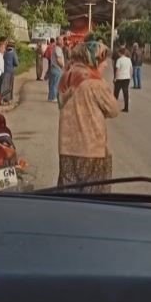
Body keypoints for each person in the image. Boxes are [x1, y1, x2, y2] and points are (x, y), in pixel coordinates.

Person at [58, 41, 119, 193]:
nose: (105, 65)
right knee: (93, 199)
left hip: (67, 148)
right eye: (103, 60)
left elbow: (60, 102)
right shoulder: (95, 83)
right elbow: (113, 110)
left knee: (69, 195)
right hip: (92, 150)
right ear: (94, 60)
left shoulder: (67, 77)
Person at [114, 47, 133, 112]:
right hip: (127, 78)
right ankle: (126, 108)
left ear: (120, 53)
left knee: (116, 93)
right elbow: (131, 69)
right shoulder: (129, 60)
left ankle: (114, 107)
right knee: (126, 93)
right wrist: (130, 76)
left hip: (120, 78)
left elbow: (117, 70)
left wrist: (115, 78)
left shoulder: (119, 60)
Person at [48, 36, 64, 102]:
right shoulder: (58, 49)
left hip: (53, 68)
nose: (62, 42)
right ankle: (54, 97)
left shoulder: (55, 48)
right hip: (57, 68)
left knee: (52, 83)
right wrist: (62, 66)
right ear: (58, 41)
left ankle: (50, 97)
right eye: (61, 40)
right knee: (56, 84)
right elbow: (58, 59)